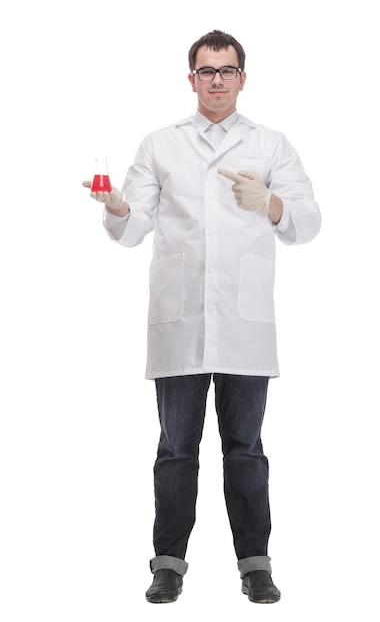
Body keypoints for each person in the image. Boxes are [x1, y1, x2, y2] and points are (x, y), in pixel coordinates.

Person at [83, 29, 321, 604]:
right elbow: (133, 227)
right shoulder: (161, 145)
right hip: (180, 321)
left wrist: (271, 202)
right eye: (207, 70)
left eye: (228, 69)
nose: (217, 79)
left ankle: (255, 565)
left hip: (244, 327)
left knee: (246, 448)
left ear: (243, 77)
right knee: (175, 449)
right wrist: (117, 207)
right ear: (190, 79)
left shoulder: (271, 146)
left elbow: (308, 223)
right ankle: (168, 564)